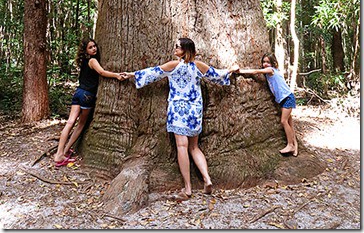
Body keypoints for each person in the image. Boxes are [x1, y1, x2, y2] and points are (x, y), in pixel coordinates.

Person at [121, 37, 239, 200]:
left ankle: (188, 188)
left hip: (178, 109)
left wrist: (131, 75)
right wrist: (231, 70)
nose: (175, 49)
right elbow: (217, 75)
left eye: (177, 47)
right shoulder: (199, 66)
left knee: (182, 147)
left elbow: (152, 73)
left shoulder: (172, 65)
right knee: (194, 147)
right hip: (194, 109)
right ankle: (207, 179)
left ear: (185, 50)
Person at [54, 38, 123, 167]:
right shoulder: (92, 60)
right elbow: (102, 72)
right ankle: (62, 153)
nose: (94, 49)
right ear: (86, 50)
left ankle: (61, 153)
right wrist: (116, 75)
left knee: (70, 123)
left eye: (95, 46)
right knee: (80, 124)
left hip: (78, 93)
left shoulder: (84, 62)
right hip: (87, 95)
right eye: (90, 47)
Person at [237, 52, 298, 157]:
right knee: (289, 124)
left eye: (268, 62)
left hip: (288, 98)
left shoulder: (271, 70)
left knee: (284, 121)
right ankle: (295, 146)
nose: (265, 64)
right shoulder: (269, 73)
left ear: (273, 63)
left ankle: (290, 145)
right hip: (283, 99)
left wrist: (241, 71)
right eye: (264, 62)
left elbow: (256, 71)